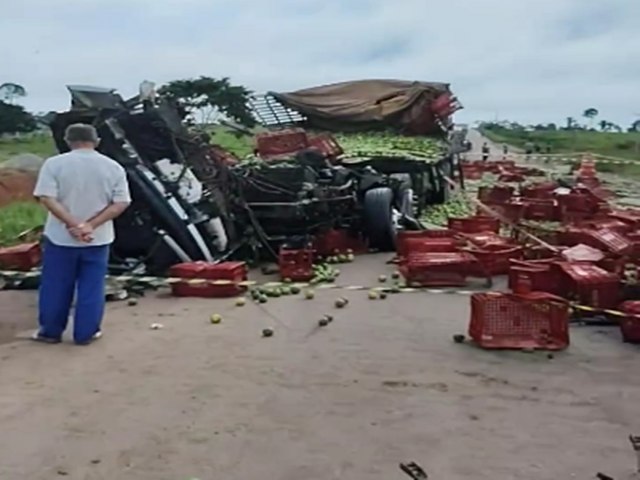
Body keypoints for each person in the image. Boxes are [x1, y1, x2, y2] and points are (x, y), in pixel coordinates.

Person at [32, 123, 131, 345]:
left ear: (68, 141)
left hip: (60, 238)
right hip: (98, 239)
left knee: (55, 286)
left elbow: (47, 197)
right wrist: (90, 226)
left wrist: (73, 224)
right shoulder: (113, 167)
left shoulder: (54, 164)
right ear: (97, 141)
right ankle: (86, 333)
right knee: (92, 286)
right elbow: (121, 202)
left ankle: (50, 332)